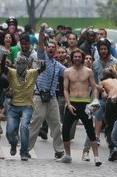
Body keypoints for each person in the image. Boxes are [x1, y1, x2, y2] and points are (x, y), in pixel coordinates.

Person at [27, 25, 66, 160]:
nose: (50, 48)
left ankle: (59, 150)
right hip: (38, 96)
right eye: (49, 47)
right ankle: (26, 149)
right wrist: (42, 31)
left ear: (55, 51)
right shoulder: (41, 57)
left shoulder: (58, 66)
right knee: (35, 123)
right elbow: (40, 43)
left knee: (56, 125)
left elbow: (69, 73)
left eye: (53, 48)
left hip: (52, 98)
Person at [59, 49, 101, 165]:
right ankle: (68, 155)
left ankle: (96, 157)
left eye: (79, 57)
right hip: (72, 103)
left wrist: (95, 101)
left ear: (82, 58)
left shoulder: (88, 71)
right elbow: (65, 90)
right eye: (75, 56)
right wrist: (68, 104)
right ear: (72, 58)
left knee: (90, 130)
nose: (77, 58)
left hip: (85, 103)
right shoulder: (67, 71)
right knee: (65, 130)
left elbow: (94, 87)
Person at [5, 54, 45, 161]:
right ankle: (13, 144)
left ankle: (24, 152)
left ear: (27, 65)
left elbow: (41, 70)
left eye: (23, 63)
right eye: (18, 63)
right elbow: (3, 68)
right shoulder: (12, 73)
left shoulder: (31, 73)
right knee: (9, 131)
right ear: (15, 64)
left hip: (27, 106)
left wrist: (43, 64)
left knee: (24, 127)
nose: (20, 65)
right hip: (13, 107)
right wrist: (4, 57)